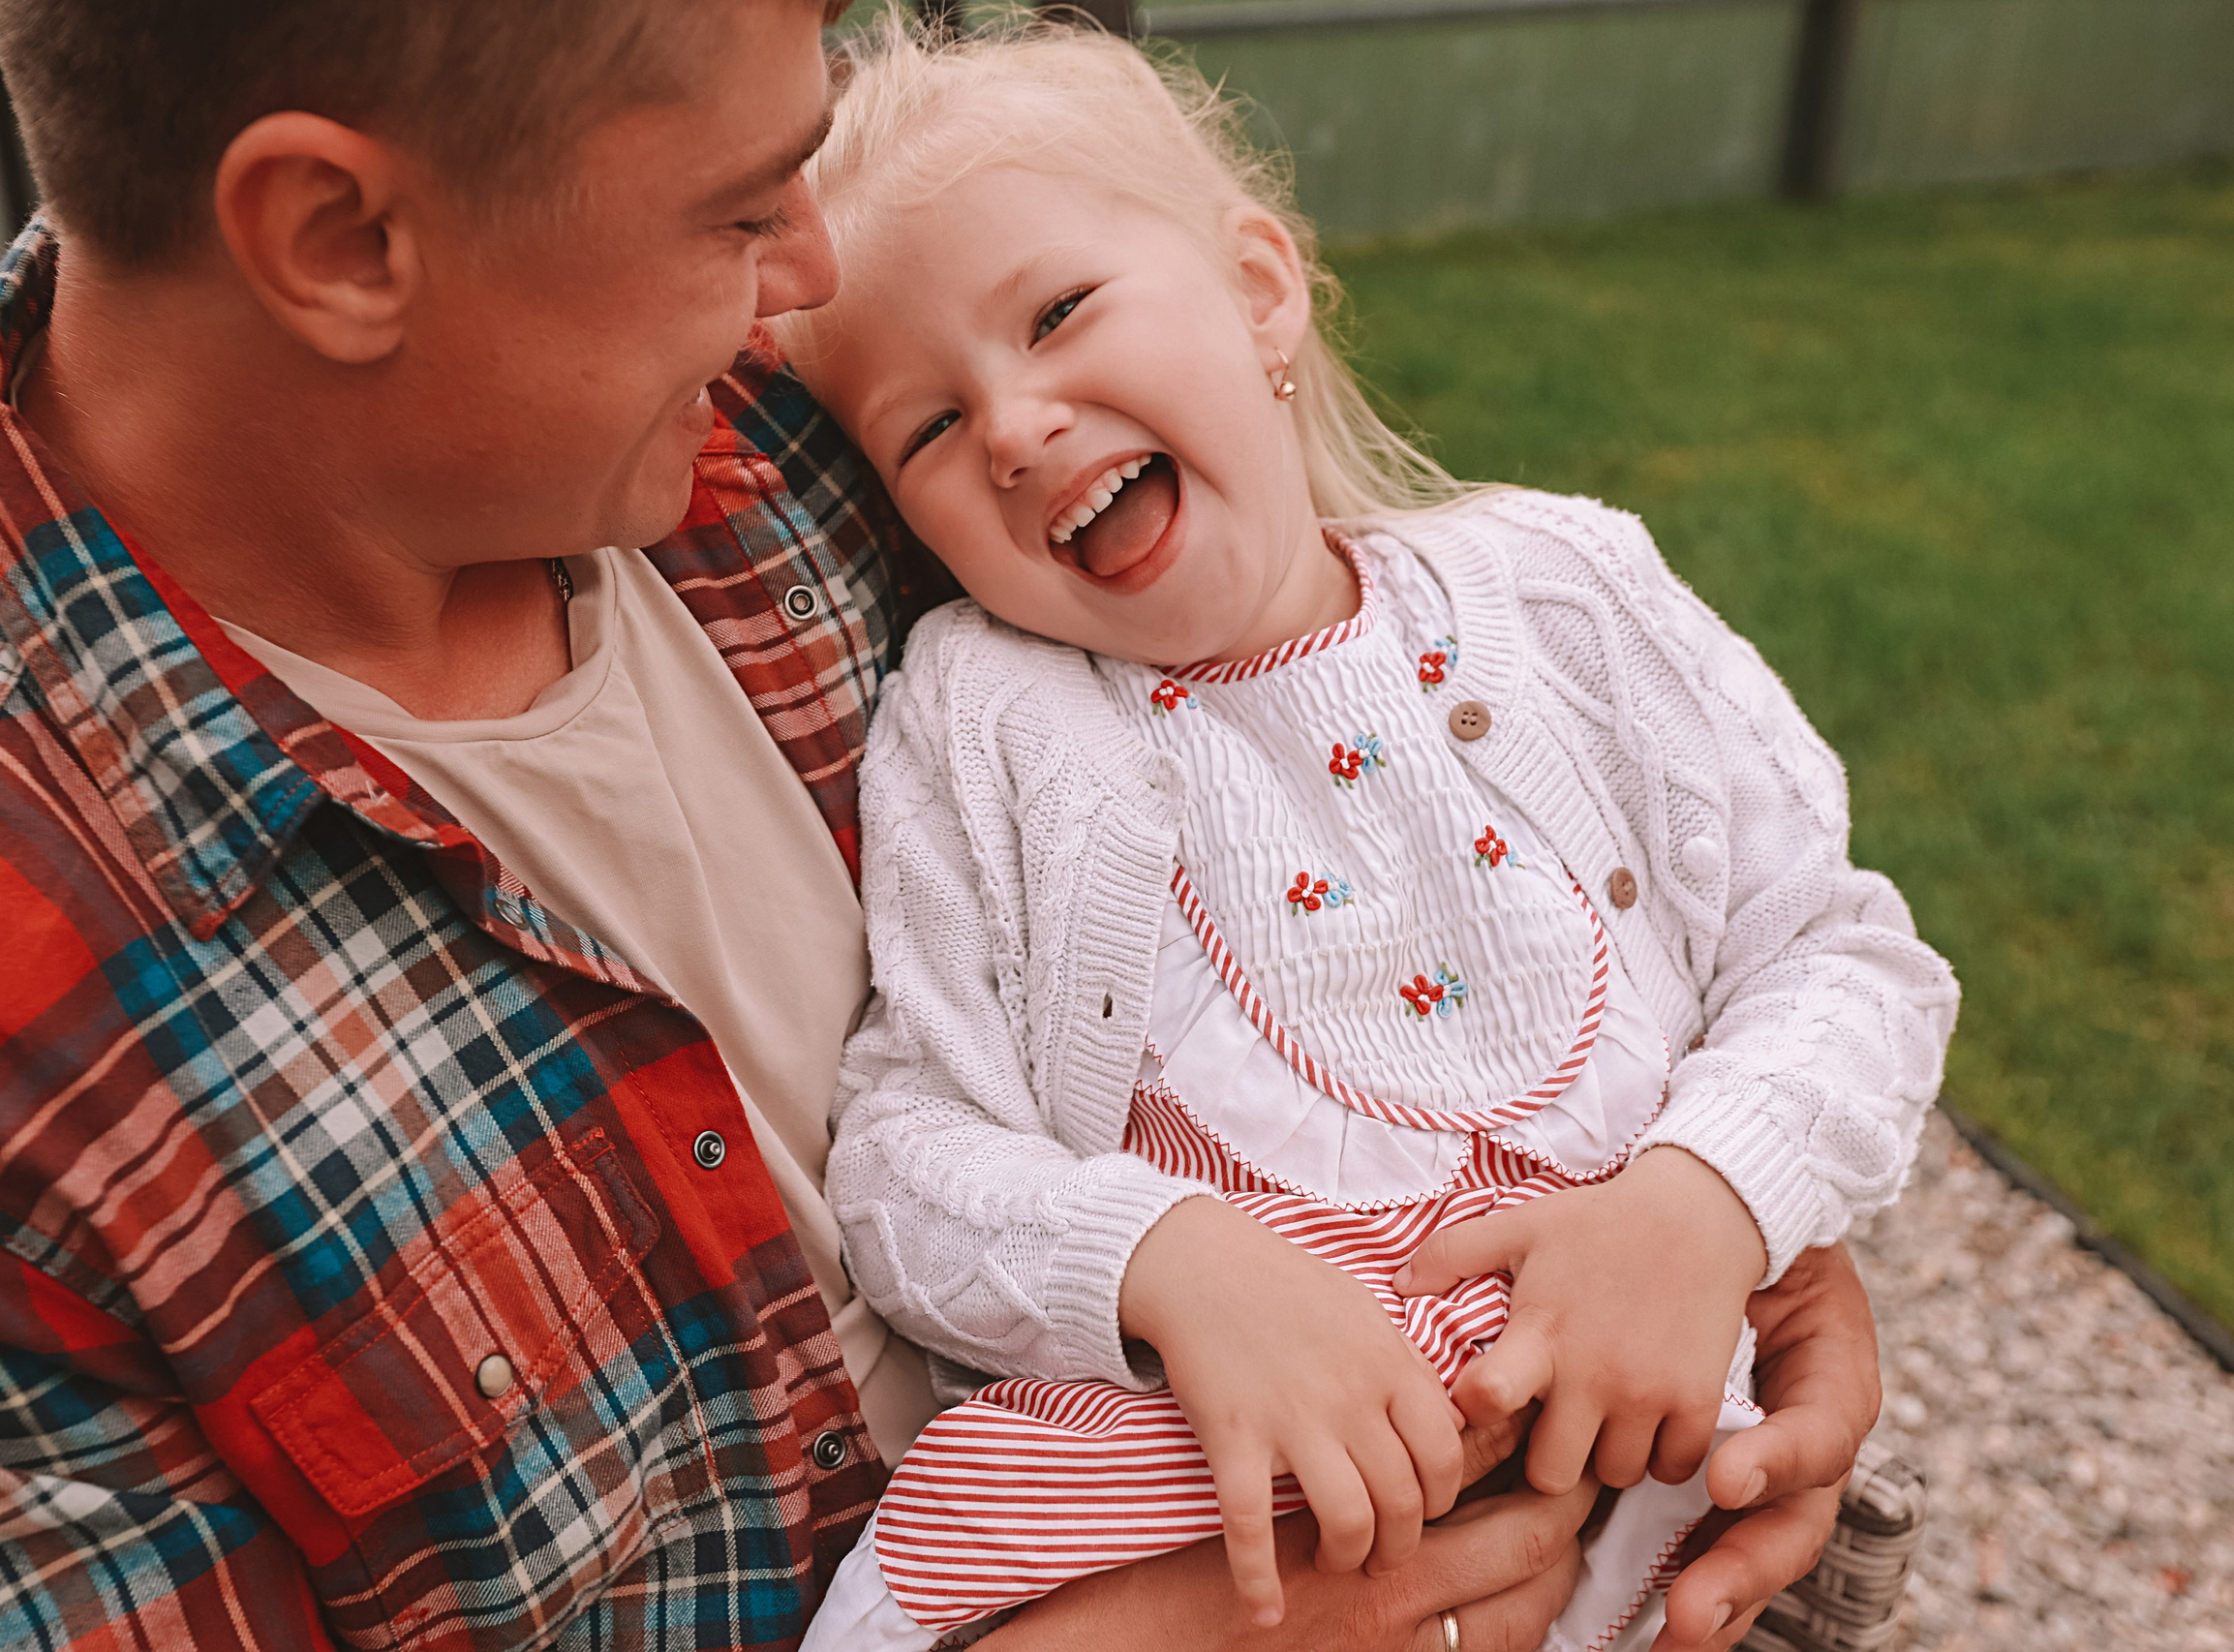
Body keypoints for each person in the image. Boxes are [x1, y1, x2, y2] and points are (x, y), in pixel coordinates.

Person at [0, 2, 1893, 1648]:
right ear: (337, 240)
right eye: (732, 203)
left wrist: (1727, 1212)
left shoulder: (785, 433)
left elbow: (1529, 839)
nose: (802, 267)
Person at [778, 21, 1958, 1652]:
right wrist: (1167, 1259)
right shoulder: (983, 721)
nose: (1014, 424)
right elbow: (908, 1150)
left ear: (1259, 290)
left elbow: (1842, 954)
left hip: (1631, 1434)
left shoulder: (1566, 596)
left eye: (1056, 315)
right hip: (1210, 1490)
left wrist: (1706, 1196)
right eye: (923, 426)